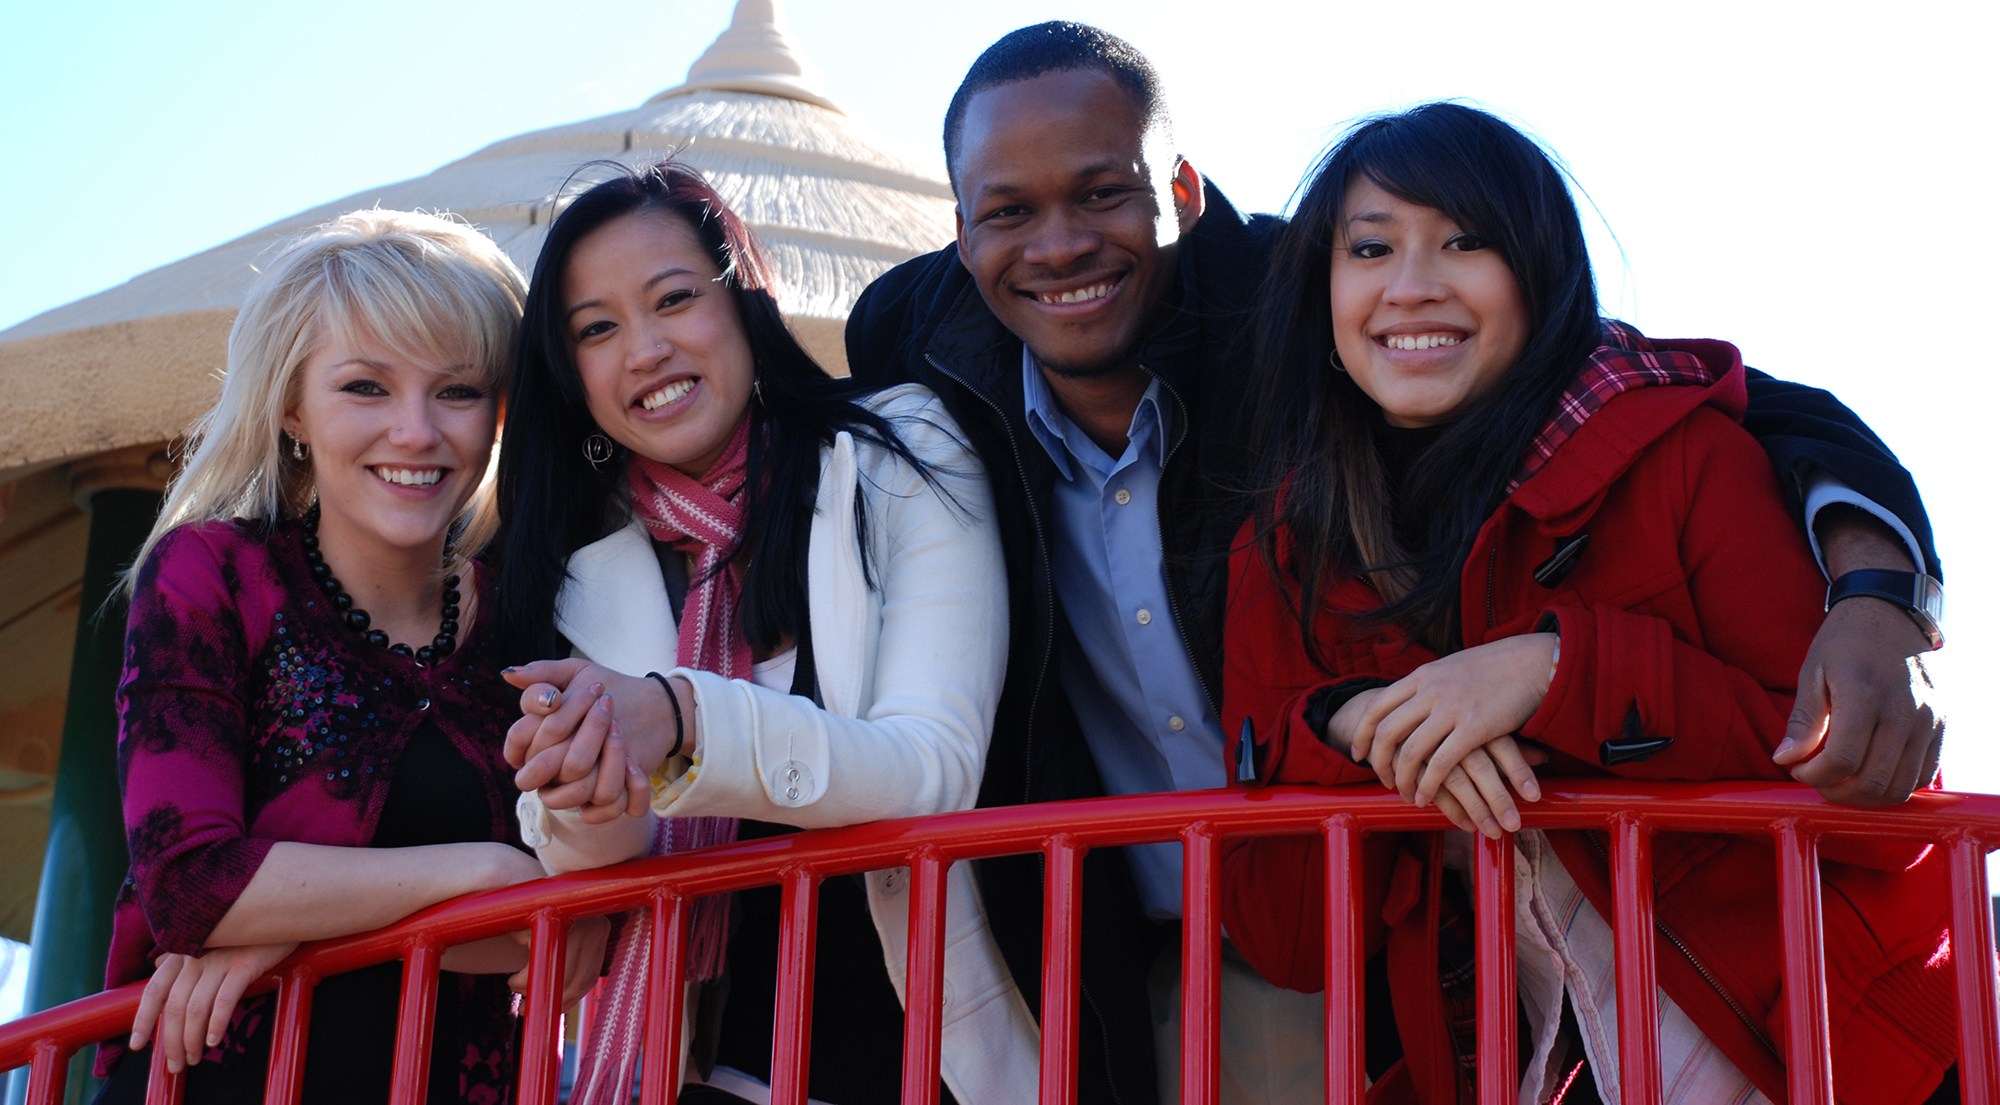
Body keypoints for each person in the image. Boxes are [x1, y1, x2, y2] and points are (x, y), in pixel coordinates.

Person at [842, 22, 1946, 1105]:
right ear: (959, 229)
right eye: (1006, 211)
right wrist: (1354, 720)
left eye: (1099, 191)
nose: (1058, 244)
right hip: (1121, 940)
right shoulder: (926, 361)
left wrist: (1878, 595)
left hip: (1456, 972)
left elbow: (1723, 402)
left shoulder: (1316, 299)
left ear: (1177, 189)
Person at [1217, 102, 1955, 1105]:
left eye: (1465, 242)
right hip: (1511, 1064)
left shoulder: (1680, 455)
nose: (1411, 285)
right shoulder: (1281, 546)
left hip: (1811, 1054)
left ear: (1539, 273)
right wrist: (1351, 727)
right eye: (1369, 247)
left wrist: (1555, 671)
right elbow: (1288, 943)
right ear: (1322, 285)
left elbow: (1840, 765)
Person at [492, 160, 1037, 1105]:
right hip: (710, 1075)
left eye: (674, 299)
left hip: (926, 1065)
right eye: (597, 329)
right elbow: (588, 858)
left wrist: (680, 717)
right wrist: (582, 781)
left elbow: (933, 765)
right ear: (570, 375)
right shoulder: (582, 566)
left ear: (744, 297)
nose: (646, 349)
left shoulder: (896, 451)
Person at [96, 209, 609, 1105]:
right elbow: (187, 885)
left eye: (456, 390)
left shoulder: (535, 617)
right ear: (292, 405)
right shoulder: (211, 573)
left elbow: (563, 937)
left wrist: (283, 928)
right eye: (366, 387)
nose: (415, 432)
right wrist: (482, 872)